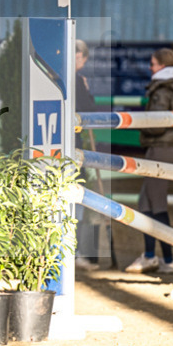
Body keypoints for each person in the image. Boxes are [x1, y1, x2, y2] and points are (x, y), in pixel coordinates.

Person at [125, 48, 173, 274]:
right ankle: (151, 256)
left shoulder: (162, 90)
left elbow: (156, 124)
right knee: (145, 202)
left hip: (161, 148)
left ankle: (167, 258)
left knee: (156, 204)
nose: (150, 67)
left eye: (153, 64)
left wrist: (138, 120)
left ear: (163, 66)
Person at [74, 40, 102, 271]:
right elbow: (89, 111)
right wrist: (86, 90)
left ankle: (73, 252)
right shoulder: (75, 80)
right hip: (70, 152)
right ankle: (74, 253)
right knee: (76, 201)